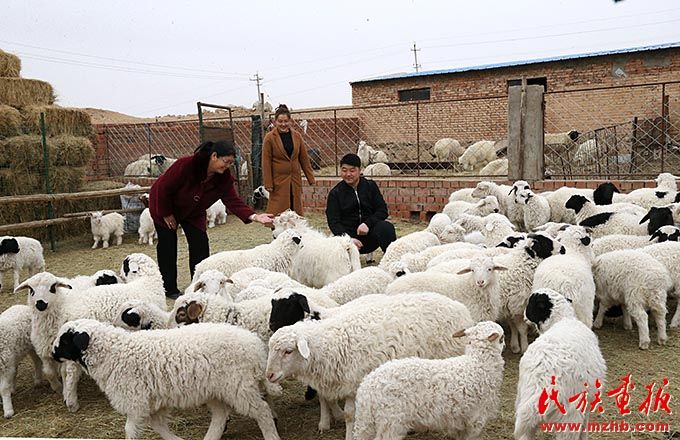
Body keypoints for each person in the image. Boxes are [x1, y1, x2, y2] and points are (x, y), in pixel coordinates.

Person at [149, 140, 274, 299]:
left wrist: (255, 216)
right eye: (225, 161)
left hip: (193, 211)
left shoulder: (223, 177)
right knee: (167, 245)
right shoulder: (186, 165)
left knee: (200, 243)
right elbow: (163, 188)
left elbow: (232, 200)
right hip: (165, 205)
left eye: (230, 163)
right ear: (214, 156)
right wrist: (166, 213)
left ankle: (200, 284)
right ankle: (169, 288)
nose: (227, 166)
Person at [326, 153, 397, 257]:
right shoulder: (335, 193)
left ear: (360, 170)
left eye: (352, 170)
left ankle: (393, 259)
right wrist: (348, 239)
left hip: (370, 235)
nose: (348, 174)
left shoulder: (370, 186)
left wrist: (367, 224)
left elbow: (382, 210)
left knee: (386, 227)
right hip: (348, 239)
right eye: (344, 170)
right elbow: (333, 222)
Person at [262, 104, 316, 216]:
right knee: (278, 212)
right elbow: (266, 161)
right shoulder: (269, 138)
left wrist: (310, 178)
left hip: (294, 179)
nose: (283, 124)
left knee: (295, 208)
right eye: (280, 121)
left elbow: (304, 159)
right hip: (278, 181)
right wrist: (268, 183)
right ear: (275, 122)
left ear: (290, 121)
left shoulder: (297, 136)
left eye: (286, 121)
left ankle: (296, 227)